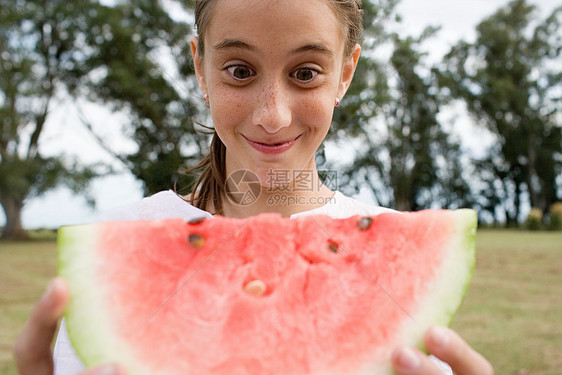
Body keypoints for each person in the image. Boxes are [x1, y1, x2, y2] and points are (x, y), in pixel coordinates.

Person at [14, 0, 494, 374]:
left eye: (305, 73)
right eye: (240, 70)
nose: (272, 115)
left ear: (345, 73)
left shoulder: (394, 256)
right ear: (200, 67)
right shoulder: (119, 236)